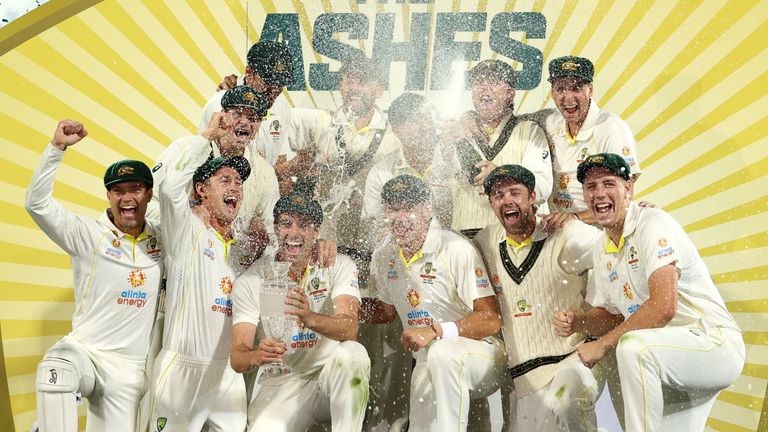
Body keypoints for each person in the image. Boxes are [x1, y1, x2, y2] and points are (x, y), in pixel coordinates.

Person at [554, 153, 744, 432]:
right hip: (665, 356)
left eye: (609, 183)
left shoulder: (653, 223)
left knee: (631, 347)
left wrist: (603, 344)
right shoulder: (602, 248)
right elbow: (616, 317)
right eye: (591, 187)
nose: (599, 193)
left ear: (628, 188)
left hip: (712, 342)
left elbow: (663, 307)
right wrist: (579, 322)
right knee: (586, 372)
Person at [26, 120, 162, 432]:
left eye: (135, 189)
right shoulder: (86, 235)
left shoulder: (164, 239)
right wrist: (56, 149)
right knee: (55, 370)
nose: (127, 199)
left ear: (149, 194)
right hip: (84, 352)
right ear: (108, 196)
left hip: (129, 371)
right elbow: (37, 205)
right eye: (118, 191)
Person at [363, 174, 506, 432]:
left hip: (483, 355)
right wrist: (338, 306)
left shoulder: (454, 248)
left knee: (443, 353)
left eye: (409, 207)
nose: (400, 216)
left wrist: (435, 332)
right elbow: (385, 311)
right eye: (393, 208)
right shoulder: (385, 256)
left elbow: (491, 320)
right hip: (429, 361)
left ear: (427, 207)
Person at [474, 165, 605, 431]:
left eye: (515, 192)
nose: (507, 200)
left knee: (567, 401)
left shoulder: (566, 233)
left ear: (533, 197)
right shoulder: (485, 241)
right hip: (524, 377)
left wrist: (638, 214)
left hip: (573, 359)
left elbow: (617, 246)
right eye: (498, 195)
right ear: (490, 204)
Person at [230, 191, 370, 431]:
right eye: (286, 223)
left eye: (303, 225)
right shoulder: (252, 279)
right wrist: (256, 356)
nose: (294, 233)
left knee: (353, 354)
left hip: (329, 378)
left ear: (316, 230)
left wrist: (310, 317)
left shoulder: (338, 265)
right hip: (284, 381)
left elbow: (350, 329)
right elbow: (237, 357)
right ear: (275, 227)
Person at [149, 120, 253, 430]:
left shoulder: (244, 249)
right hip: (182, 369)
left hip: (228, 377)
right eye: (224, 180)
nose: (234, 187)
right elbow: (168, 188)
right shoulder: (187, 229)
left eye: (238, 182)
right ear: (201, 190)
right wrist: (204, 138)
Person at [148, 85, 274, 261]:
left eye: (253, 117)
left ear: (259, 125)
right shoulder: (183, 150)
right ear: (222, 114)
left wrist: (262, 231)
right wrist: (186, 217)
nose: (245, 122)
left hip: (228, 274)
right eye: (237, 114)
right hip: (178, 263)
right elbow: (146, 205)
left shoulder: (265, 174)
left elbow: (274, 236)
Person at [446, 59, 552, 238]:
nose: (485, 88)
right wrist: (444, 147)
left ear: (510, 93)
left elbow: (542, 188)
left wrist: (502, 176)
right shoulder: (456, 132)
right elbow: (438, 186)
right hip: (465, 240)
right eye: (479, 82)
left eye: (494, 82)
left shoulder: (528, 130)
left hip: (514, 238)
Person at [541, 56, 641, 229]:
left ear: (590, 90)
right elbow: (510, 123)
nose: (568, 97)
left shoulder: (612, 129)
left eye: (576, 88)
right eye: (561, 89)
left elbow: (624, 197)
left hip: (602, 234)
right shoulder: (548, 120)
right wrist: (475, 119)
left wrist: (574, 218)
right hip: (560, 233)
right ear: (552, 93)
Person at [362, 92, 457, 232]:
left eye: (426, 118)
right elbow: (370, 228)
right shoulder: (381, 173)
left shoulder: (453, 158)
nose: (425, 127)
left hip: (452, 249)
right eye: (414, 121)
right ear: (396, 130)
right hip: (401, 251)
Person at [201, 40, 294, 169]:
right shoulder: (220, 105)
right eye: (268, 82)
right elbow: (203, 162)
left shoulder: (282, 107)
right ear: (249, 73)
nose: (273, 91)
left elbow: (279, 161)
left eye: (280, 84)